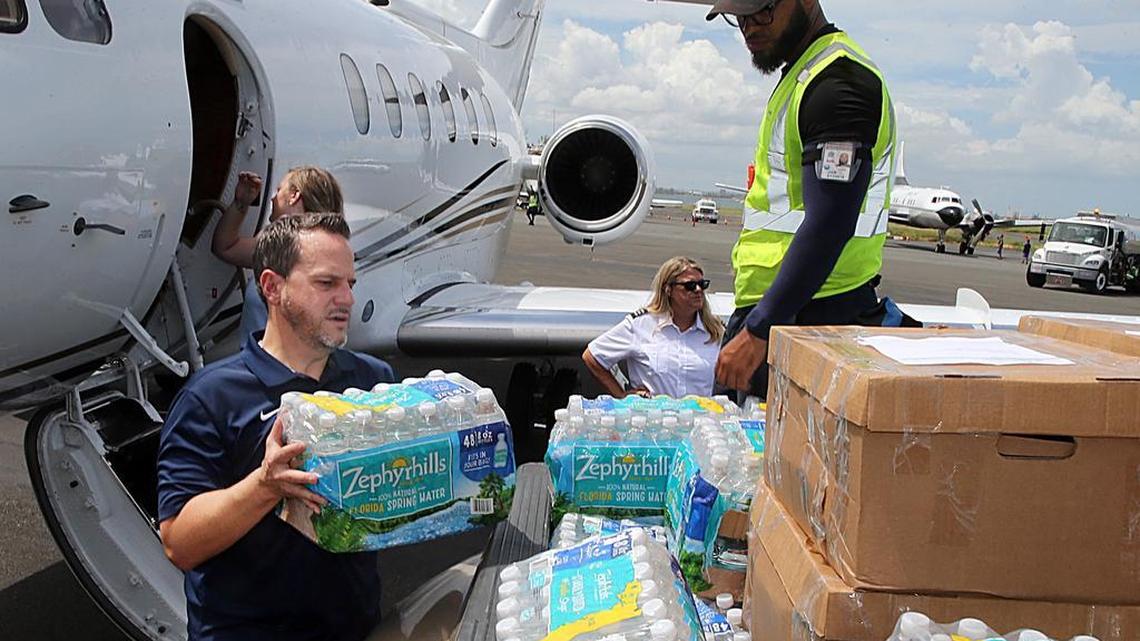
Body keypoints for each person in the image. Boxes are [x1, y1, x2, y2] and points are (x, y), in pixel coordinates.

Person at [158, 213, 395, 641]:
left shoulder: (373, 381)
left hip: (356, 629)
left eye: (350, 284)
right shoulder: (211, 397)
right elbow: (180, 543)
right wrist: (265, 486)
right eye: (327, 284)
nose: (346, 299)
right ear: (271, 287)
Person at [707, 0, 898, 400]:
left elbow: (831, 221)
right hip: (784, 313)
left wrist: (761, 326)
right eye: (739, 16)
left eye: (761, 11)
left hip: (811, 318)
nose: (749, 27)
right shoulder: (804, 75)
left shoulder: (839, 84)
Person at [212, 167, 345, 342]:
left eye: (279, 190)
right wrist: (241, 203)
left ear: (294, 196)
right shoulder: (276, 245)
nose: (273, 198)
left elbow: (226, 248)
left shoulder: (296, 251)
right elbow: (225, 247)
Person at [582, 257, 725, 398]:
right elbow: (593, 356)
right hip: (653, 418)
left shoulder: (715, 332)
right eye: (690, 286)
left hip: (699, 419)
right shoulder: (641, 325)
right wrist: (621, 396)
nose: (698, 290)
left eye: (702, 284)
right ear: (668, 289)